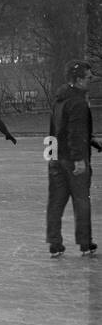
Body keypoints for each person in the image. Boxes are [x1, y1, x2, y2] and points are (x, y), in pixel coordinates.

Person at [46, 61, 99, 258]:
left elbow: (55, 129)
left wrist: (51, 157)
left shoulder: (60, 99)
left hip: (57, 158)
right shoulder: (77, 102)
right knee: (81, 201)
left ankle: (54, 243)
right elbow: (75, 132)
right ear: (78, 80)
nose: (90, 81)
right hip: (73, 159)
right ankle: (85, 243)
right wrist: (79, 159)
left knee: (56, 202)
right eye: (88, 78)